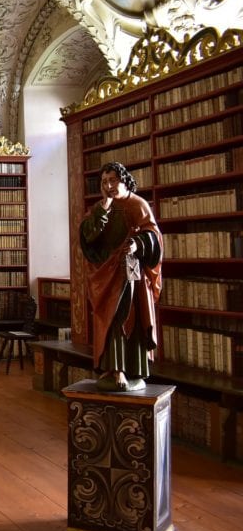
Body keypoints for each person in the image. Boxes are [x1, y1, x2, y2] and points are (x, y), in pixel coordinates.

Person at [79, 161, 162, 391]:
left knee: (128, 319)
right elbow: (88, 236)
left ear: (124, 180)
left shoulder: (138, 204)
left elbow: (153, 237)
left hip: (131, 273)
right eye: (104, 182)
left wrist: (138, 244)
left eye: (113, 181)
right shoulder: (101, 207)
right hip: (107, 274)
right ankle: (113, 368)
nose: (109, 186)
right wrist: (104, 208)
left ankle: (131, 370)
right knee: (111, 319)